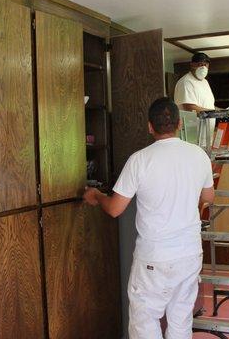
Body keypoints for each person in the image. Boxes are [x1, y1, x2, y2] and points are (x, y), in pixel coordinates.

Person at [83, 97, 215, 339]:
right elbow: (209, 196)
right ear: (179, 125)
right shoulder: (199, 156)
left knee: (145, 322)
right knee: (181, 319)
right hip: (189, 254)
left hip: (155, 257)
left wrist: (97, 195)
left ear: (149, 127)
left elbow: (115, 208)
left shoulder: (140, 160)